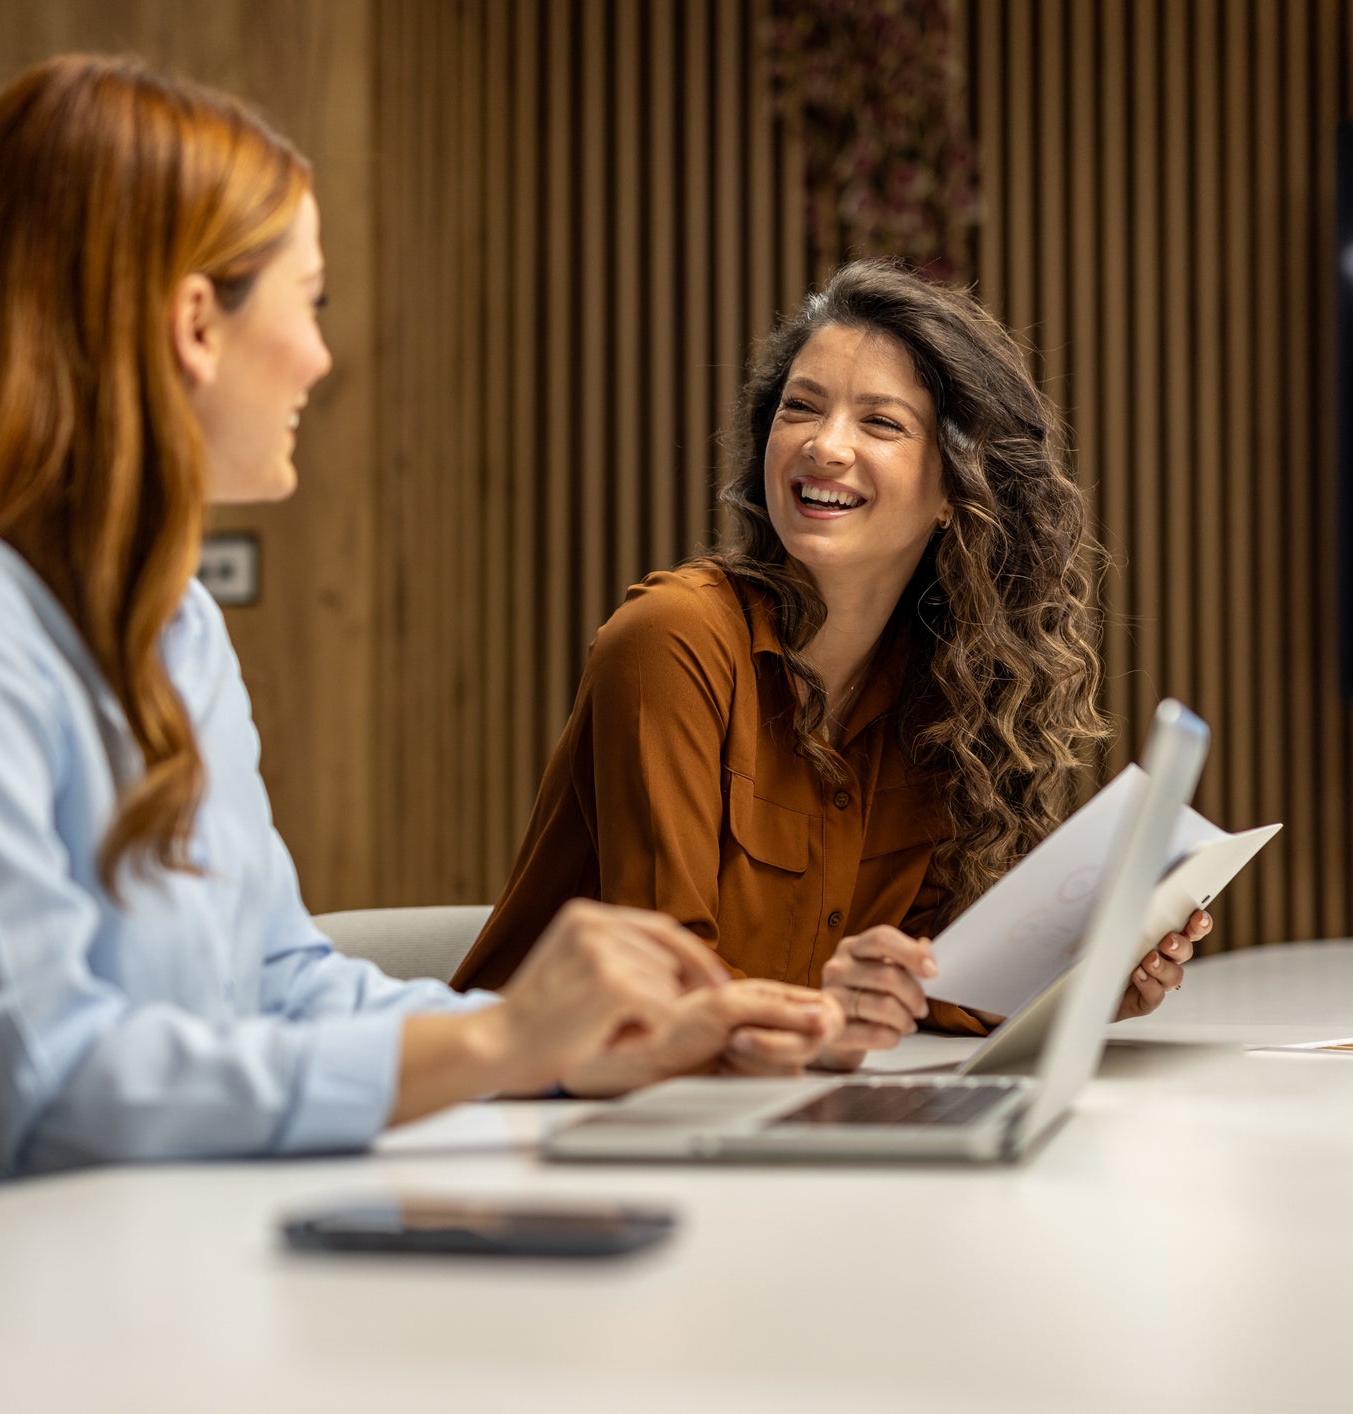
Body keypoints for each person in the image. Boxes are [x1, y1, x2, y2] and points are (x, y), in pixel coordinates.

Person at [0, 55, 838, 1220]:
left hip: (111, 1242)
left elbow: (276, 982)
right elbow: (45, 1084)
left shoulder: (172, 621)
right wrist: (501, 1041)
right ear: (196, 324)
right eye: (308, 301)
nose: (321, 354)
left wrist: (582, 1047)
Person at [453, 260, 1211, 1067]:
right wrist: (829, 1012)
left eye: (880, 424)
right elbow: (663, 1001)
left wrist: (1083, 985)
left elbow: (927, 986)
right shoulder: (669, 642)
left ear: (958, 487)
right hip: (534, 1124)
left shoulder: (943, 695)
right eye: (801, 409)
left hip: (761, 1122)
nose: (825, 445)